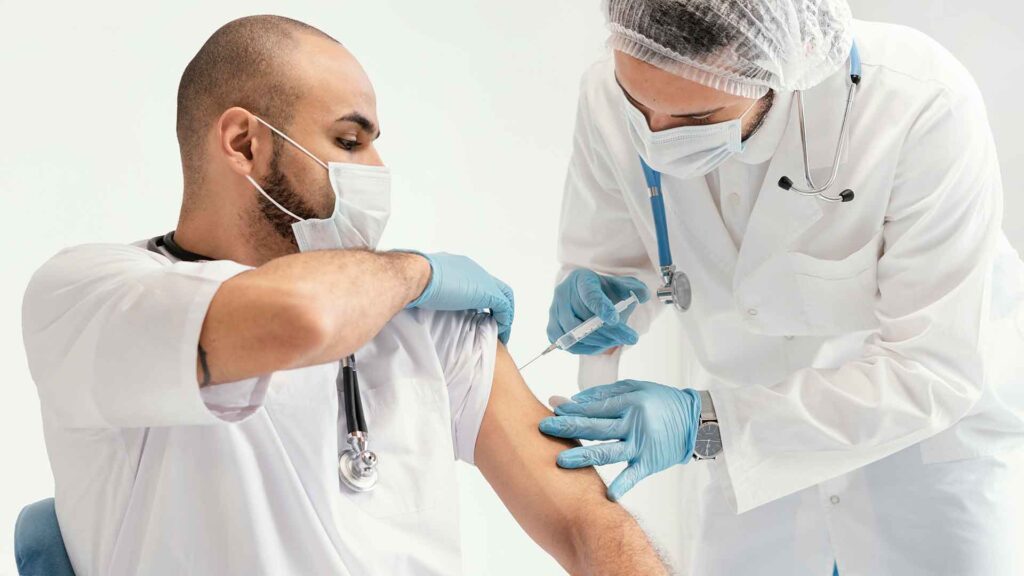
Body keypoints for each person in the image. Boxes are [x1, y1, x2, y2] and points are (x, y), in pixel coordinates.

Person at [20, 15, 667, 576]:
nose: (377, 171)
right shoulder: (95, 295)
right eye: (349, 142)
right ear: (245, 144)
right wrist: (417, 272)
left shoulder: (427, 324)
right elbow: (300, 316)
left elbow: (588, 524)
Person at [539, 0, 1024, 574]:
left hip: (920, 450)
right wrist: (602, 298)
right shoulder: (607, 92)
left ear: (787, 64)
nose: (657, 138)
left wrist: (705, 425)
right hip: (750, 440)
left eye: (698, 118)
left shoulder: (920, 103)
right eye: (637, 106)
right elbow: (616, 255)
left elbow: (931, 368)